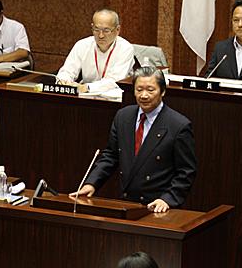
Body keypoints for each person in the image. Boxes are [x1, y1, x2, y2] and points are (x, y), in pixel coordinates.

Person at [70, 67, 197, 213]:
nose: (144, 95)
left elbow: (186, 171)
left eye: (150, 90)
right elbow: (111, 155)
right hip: (126, 203)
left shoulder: (178, 125)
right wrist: (92, 183)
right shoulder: (123, 116)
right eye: (139, 89)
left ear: (162, 91)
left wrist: (168, 199)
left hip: (157, 207)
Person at [56, 8, 134, 93]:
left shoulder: (125, 48)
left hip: (114, 99)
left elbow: (115, 81)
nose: (101, 35)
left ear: (117, 30)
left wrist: (88, 87)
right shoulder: (82, 45)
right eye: (96, 30)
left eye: (106, 31)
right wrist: (64, 81)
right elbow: (67, 70)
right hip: (84, 96)